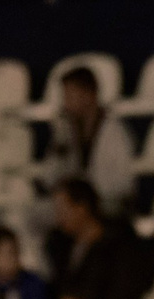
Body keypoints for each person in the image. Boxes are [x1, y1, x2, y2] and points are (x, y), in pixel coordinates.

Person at [44, 179, 148, 299]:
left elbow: (123, 298)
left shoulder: (119, 243)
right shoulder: (61, 247)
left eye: (62, 210)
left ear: (82, 207)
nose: (58, 219)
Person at [42, 67, 134, 215]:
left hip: (108, 208)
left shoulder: (115, 132)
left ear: (88, 95)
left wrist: (87, 198)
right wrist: (60, 144)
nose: (65, 104)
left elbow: (122, 184)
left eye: (69, 96)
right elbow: (49, 180)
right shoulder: (65, 132)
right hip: (73, 208)